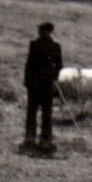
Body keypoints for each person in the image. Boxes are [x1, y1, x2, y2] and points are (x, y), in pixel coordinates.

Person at [23, 21, 63, 150]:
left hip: (35, 84)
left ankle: (30, 138)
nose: (39, 33)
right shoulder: (55, 47)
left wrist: (27, 81)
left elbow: (29, 65)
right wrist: (54, 79)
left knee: (32, 112)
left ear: (45, 31)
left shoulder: (34, 45)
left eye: (41, 31)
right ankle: (45, 139)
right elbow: (59, 67)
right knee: (46, 113)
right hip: (46, 84)